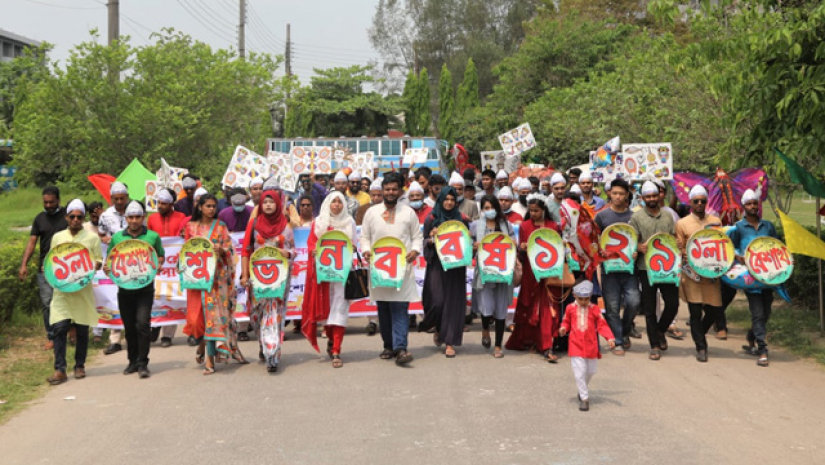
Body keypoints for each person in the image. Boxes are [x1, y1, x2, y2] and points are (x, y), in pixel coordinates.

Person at [360, 172, 422, 365]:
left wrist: (415, 250)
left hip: (401, 268)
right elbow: (364, 237)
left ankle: (401, 348)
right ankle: (388, 346)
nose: (390, 192)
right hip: (379, 268)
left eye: (394, 189)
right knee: (384, 309)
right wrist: (366, 250)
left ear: (400, 191)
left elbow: (417, 237)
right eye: (387, 189)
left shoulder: (408, 212)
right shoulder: (372, 213)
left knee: (400, 307)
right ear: (382, 191)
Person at [182, 194, 247, 374]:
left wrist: (222, 250)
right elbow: (186, 250)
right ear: (200, 207)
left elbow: (230, 250)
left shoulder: (221, 226)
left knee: (212, 318)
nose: (211, 209)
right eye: (208, 206)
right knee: (196, 320)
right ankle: (202, 344)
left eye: (213, 206)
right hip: (197, 279)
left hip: (217, 279)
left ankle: (209, 360)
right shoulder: (190, 227)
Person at [104, 201, 164, 378]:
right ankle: (132, 362)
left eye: (138, 217)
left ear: (143, 217)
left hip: (145, 289)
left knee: (143, 325)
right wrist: (107, 268)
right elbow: (110, 260)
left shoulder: (152, 236)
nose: (134, 220)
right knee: (129, 328)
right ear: (126, 218)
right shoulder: (117, 238)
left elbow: (160, 255)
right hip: (125, 290)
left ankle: (143, 363)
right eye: (131, 217)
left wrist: (158, 263)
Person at [46, 199, 103, 385]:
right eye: (72, 216)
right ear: (66, 217)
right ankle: (59, 369)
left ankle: (80, 365)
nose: (76, 220)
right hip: (62, 291)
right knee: (59, 328)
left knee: (82, 329)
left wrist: (96, 265)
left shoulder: (92, 238)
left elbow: (99, 259)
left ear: (83, 218)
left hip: (82, 291)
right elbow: (52, 261)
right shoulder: (58, 238)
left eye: (79, 217)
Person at [240, 190, 295, 373]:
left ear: (278, 204)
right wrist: (245, 275)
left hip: (279, 278)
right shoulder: (254, 224)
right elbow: (246, 250)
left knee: (275, 315)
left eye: (272, 202)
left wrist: (287, 253)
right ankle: (263, 341)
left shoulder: (286, 226)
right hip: (257, 278)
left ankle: (273, 355)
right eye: (265, 202)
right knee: (256, 315)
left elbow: (294, 250)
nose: (268, 205)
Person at [300, 192, 356, 368]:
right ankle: (331, 340)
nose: (337, 205)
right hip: (324, 275)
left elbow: (354, 245)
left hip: (342, 274)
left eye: (340, 202)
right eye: (334, 201)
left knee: (340, 309)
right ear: (328, 204)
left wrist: (352, 247)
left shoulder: (349, 222)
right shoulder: (319, 223)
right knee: (327, 310)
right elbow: (311, 244)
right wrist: (314, 251)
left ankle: (337, 349)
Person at [506, 193, 563, 362]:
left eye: (536, 210)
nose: (533, 213)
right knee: (529, 306)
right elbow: (521, 251)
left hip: (549, 272)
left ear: (544, 210)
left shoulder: (553, 226)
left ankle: (547, 346)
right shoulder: (524, 226)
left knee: (548, 309)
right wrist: (521, 248)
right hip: (531, 272)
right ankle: (530, 340)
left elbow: (559, 248)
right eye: (531, 210)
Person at [728, 189, 778, 367]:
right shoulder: (738, 227)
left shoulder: (768, 226)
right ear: (744, 206)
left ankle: (752, 335)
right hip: (750, 277)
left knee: (766, 312)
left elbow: (777, 246)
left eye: (755, 203)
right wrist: (738, 255)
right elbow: (730, 247)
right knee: (757, 313)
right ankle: (762, 350)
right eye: (749, 204)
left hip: (767, 276)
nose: (752, 206)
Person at [630, 181, 679, 361]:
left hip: (667, 267)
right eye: (648, 196)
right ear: (642, 198)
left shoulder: (668, 216)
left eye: (654, 195)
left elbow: (672, 237)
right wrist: (638, 246)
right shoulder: (636, 217)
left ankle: (659, 330)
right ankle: (654, 345)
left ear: (659, 196)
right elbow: (631, 240)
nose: (651, 199)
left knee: (673, 304)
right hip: (646, 268)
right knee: (650, 308)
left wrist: (677, 243)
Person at [419, 187, 470, 358]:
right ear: (440, 200)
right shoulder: (431, 218)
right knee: (437, 301)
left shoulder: (462, 219)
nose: (449, 203)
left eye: (452, 199)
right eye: (446, 199)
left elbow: (467, 242)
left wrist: (469, 239)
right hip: (437, 265)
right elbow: (424, 241)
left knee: (453, 304)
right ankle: (438, 327)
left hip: (456, 267)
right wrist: (431, 239)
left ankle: (449, 342)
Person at [675, 185, 723, 363]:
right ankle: (701, 347)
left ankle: (699, 333)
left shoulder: (716, 221)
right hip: (692, 274)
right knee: (695, 311)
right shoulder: (682, 223)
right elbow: (679, 248)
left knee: (715, 309)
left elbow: (722, 244)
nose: (700, 204)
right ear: (690, 202)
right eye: (696, 201)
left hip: (711, 273)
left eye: (703, 201)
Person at [19, 186, 68, 351]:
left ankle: (71, 331)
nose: (48, 205)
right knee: (47, 303)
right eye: (45, 202)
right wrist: (24, 264)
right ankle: (52, 336)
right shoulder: (39, 219)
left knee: (67, 301)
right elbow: (32, 242)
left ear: (58, 200)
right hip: (45, 269)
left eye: (51, 202)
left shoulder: (68, 216)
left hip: (66, 268)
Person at [594, 179, 639, 355]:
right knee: (612, 306)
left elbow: (639, 240)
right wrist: (600, 252)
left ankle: (625, 330)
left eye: (621, 193)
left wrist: (637, 251)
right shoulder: (601, 217)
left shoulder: (634, 217)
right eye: (615, 193)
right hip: (609, 269)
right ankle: (618, 340)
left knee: (633, 302)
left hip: (630, 269)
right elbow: (593, 240)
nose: (618, 197)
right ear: (609, 194)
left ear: (627, 195)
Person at [558, 280, 616, 412]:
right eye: (580, 299)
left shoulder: (595, 309)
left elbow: (602, 324)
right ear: (574, 295)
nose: (583, 302)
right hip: (575, 345)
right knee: (580, 372)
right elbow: (566, 321)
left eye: (586, 299)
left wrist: (609, 337)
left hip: (591, 346)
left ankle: (581, 389)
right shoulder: (570, 308)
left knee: (590, 371)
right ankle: (584, 398)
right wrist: (563, 328)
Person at [471, 195, 517, 358]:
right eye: (486, 208)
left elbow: (514, 243)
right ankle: (485, 328)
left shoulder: (506, 225)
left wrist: (513, 243)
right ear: (482, 210)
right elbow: (468, 248)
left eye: (492, 207)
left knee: (501, 309)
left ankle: (498, 345)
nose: (489, 211)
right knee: (486, 307)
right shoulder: (475, 226)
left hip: (503, 273)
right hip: (484, 273)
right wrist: (474, 246)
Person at [146, 188, 187, 347]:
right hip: (157, 264)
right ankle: (155, 324)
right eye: (159, 203)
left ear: (171, 204)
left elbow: (183, 236)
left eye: (164, 203)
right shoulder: (152, 218)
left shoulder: (181, 217)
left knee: (172, 297)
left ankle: (167, 336)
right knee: (156, 295)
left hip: (173, 268)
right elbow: (149, 238)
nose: (160, 206)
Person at [98, 181, 130, 354]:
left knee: (133, 298)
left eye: (122, 198)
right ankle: (115, 340)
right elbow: (101, 233)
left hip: (133, 262)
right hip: (114, 263)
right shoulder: (105, 215)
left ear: (127, 197)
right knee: (114, 299)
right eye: (116, 199)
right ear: (111, 198)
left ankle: (133, 336)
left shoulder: (134, 211)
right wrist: (105, 240)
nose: (119, 202)